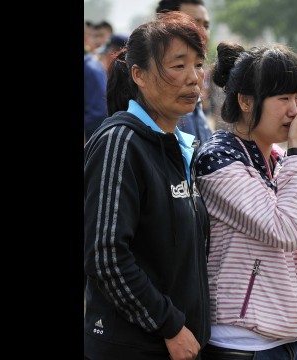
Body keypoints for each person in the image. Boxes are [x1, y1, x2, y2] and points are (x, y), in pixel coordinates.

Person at [194, 42, 297, 360]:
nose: (295, 109)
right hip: (241, 343)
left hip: (280, 337)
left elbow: (276, 236)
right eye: (283, 98)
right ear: (245, 101)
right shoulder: (219, 159)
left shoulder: (274, 157)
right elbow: (284, 230)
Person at [84, 11, 210, 360]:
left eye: (198, 65)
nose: (193, 79)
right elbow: (106, 256)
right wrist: (168, 326)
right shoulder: (120, 142)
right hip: (134, 346)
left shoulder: (181, 147)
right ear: (138, 74)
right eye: (178, 65)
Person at [156, 0, 213, 144]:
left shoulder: (193, 96)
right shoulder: (157, 108)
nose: (202, 33)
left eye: (206, 26)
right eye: (192, 24)